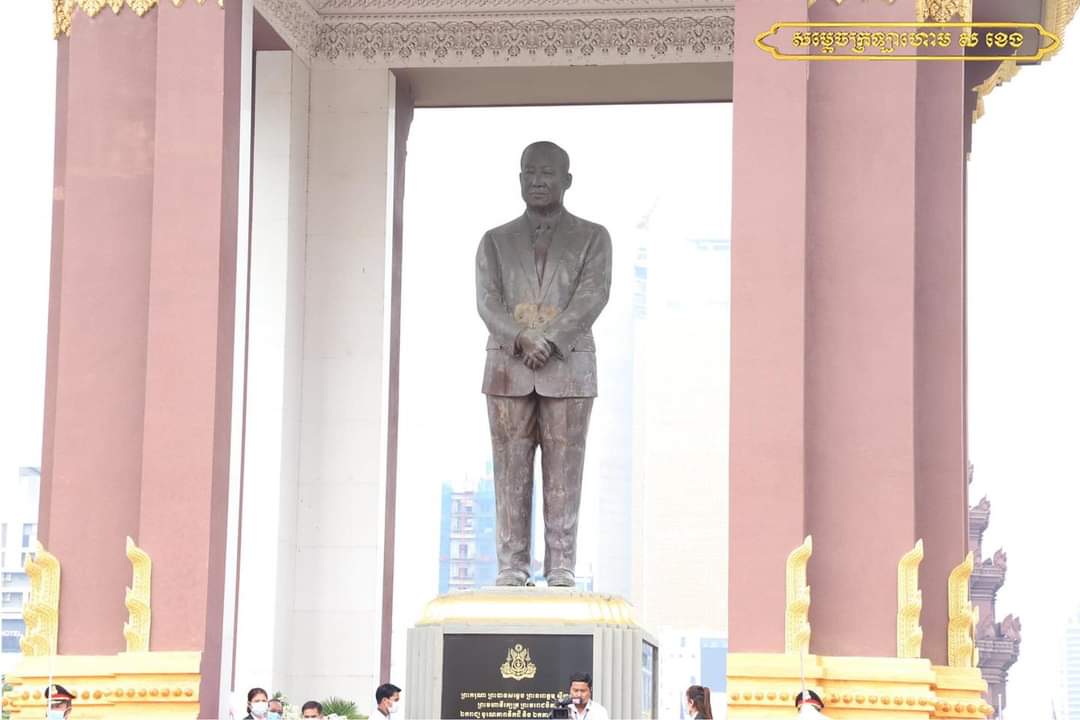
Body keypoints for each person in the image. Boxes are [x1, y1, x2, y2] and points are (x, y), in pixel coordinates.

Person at [476, 140, 613, 588]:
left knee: (565, 470)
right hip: (507, 368)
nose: (537, 181)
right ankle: (512, 565)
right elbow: (487, 301)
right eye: (529, 173)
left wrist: (550, 340)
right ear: (519, 179)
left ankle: (560, 566)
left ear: (566, 180)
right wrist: (520, 337)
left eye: (547, 173)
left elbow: (593, 294)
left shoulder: (593, 237)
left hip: (569, 368)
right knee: (509, 469)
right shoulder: (494, 241)